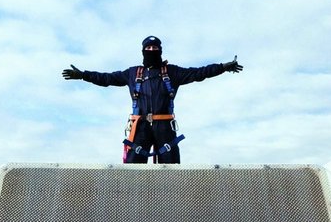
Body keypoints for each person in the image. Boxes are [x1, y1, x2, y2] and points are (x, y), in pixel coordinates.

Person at [62, 36, 243, 164]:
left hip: (165, 128)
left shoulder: (172, 72)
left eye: (155, 48)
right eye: (148, 48)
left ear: (160, 50)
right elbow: (106, 79)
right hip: (139, 127)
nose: (151, 51)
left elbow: (199, 73)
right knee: (132, 171)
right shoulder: (133, 73)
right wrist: (83, 75)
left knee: (171, 170)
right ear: (143, 51)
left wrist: (223, 67)